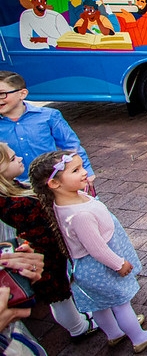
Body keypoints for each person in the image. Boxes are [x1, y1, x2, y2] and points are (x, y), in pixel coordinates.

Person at [29, 151, 147, 352]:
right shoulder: (80, 216)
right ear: (54, 184)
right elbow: (97, 249)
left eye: (82, 166)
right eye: (76, 170)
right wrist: (119, 263)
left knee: (99, 306)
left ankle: (114, 333)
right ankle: (139, 336)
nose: (84, 172)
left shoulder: (63, 202)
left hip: (86, 269)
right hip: (102, 267)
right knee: (121, 305)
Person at [0, 142, 102, 340]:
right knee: (58, 296)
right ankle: (78, 328)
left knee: (62, 290)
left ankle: (78, 319)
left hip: (45, 253)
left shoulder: (14, 190)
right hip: (42, 257)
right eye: (12, 159)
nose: (19, 158)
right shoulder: (14, 203)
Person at [0, 71, 95, 185]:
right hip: (12, 185)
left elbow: (71, 145)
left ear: (22, 94)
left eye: (2, 94)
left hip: (50, 181)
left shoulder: (49, 116)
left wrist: (86, 171)